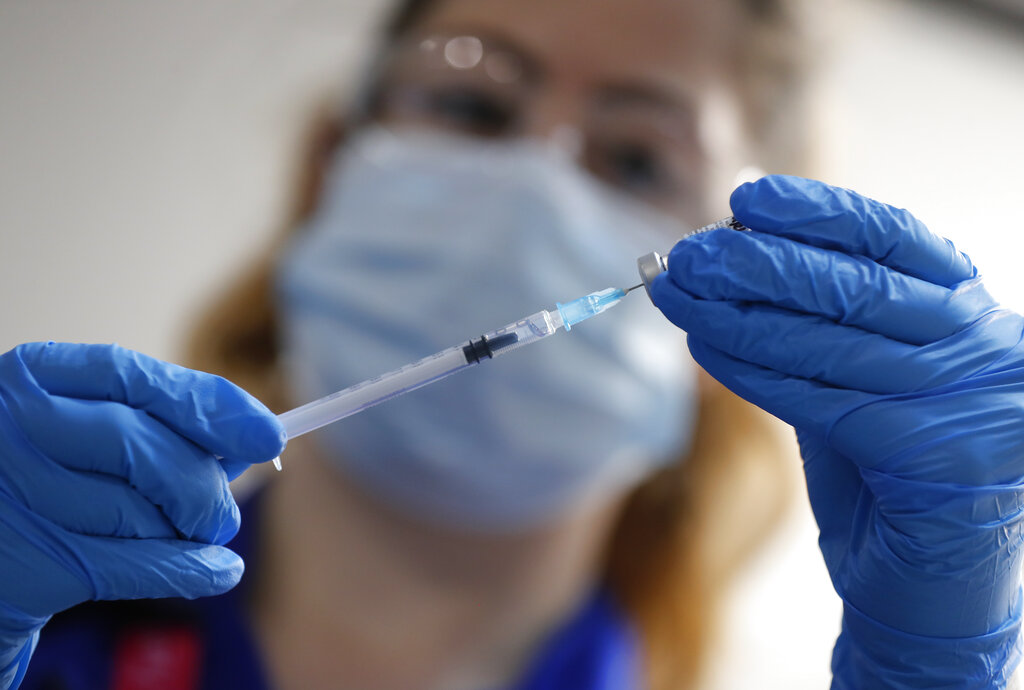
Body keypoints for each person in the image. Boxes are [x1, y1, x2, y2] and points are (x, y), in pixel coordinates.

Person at [1, 2, 1021, 690]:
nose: (534, 183)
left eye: (633, 156)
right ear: (328, 169)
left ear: (744, 301)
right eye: (471, 104)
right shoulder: (41, 609)